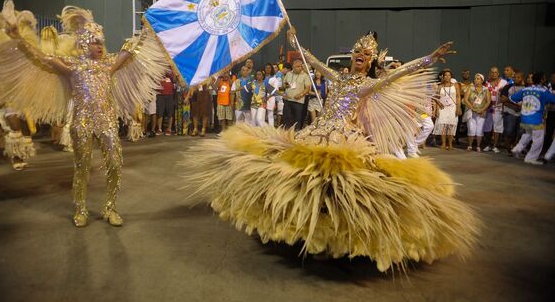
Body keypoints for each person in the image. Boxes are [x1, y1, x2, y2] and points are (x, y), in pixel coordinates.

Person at [186, 29, 478, 272]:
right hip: (317, 132)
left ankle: (329, 237)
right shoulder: (339, 78)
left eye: (365, 57)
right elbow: (314, 63)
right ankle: (293, 225)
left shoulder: (369, 84)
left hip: (344, 138)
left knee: (334, 186)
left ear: (371, 61)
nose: (360, 59)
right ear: (352, 56)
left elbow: (398, 73)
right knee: (294, 176)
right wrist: (296, 45)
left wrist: (430, 58)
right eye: (357, 54)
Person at [0, 4, 166, 227]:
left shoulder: (109, 64)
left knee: (115, 163)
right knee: (82, 167)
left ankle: (110, 207)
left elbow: (132, 50)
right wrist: (20, 40)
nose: (100, 45)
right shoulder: (72, 66)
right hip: (82, 124)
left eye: (101, 41)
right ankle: (81, 209)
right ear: (84, 43)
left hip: (108, 123)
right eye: (95, 42)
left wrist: (150, 27)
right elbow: (42, 58)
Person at [510, 72, 555, 165]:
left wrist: (522, 104)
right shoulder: (543, 91)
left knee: (528, 134)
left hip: (524, 118)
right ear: (542, 80)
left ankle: (517, 149)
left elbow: (512, 98)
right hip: (536, 120)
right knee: (538, 139)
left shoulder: (525, 89)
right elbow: (553, 99)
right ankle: (530, 158)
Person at [433, 69, 461, 150]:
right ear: (443, 77)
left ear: (451, 77)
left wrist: (458, 107)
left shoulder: (455, 85)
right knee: (443, 126)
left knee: (451, 125)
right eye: (445, 75)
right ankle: (444, 143)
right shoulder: (440, 86)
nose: (447, 77)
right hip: (443, 108)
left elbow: (458, 96)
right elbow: (435, 97)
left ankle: (450, 144)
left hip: (453, 108)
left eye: (449, 75)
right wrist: (439, 104)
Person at [483, 67, 508, 153]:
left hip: (499, 108)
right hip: (488, 108)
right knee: (487, 127)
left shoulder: (504, 82)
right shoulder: (486, 83)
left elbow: (506, 95)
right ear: (490, 73)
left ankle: (495, 146)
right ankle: (488, 145)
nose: (494, 74)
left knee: (497, 127)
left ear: (498, 73)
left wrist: (504, 107)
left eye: (496, 72)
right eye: (492, 72)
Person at [463, 74, 491, 152]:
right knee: (471, 129)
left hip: (482, 112)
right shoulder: (470, 88)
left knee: (479, 130)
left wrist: (482, 109)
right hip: (471, 112)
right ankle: (470, 146)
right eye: (475, 78)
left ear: (482, 80)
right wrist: (473, 108)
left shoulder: (486, 89)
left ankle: (478, 146)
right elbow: (465, 99)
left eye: (478, 79)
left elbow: (488, 101)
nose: (476, 80)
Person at [282, 59, 311, 130]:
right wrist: (284, 90)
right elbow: (283, 85)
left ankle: (296, 136)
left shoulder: (305, 75)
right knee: (286, 120)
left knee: (297, 121)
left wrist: (300, 95)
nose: (300, 68)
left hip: (298, 102)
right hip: (287, 100)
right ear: (293, 67)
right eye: (298, 66)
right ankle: (286, 135)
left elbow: (307, 88)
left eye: (301, 66)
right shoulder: (288, 74)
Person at [500, 70, 524, 152]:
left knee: (520, 132)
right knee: (509, 131)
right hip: (510, 112)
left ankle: (514, 147)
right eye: (515, 77)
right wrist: (515, 106)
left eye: (518, 77)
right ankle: (508, 148)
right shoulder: (507, 87)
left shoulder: (525, 89)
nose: (516, 79)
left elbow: (525, 102)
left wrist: (509, 100)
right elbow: (503, 100)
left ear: (522, 78)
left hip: (521, 114)